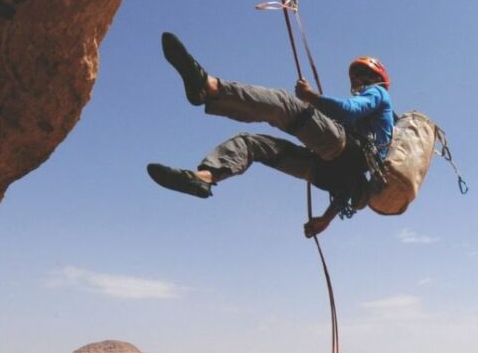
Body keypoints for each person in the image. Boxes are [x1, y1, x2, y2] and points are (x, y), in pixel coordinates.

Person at [147, 32, 394, 237]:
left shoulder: (379, 94)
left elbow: (349, 110)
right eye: (355, 77)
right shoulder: (375, 131)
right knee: (252, 144)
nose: (357, 81)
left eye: (361, 75)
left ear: (376, 78)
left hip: (345, 151)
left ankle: (209, 88)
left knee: (285, 105)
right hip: (329, 172)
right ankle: (205, 177)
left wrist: (311, 97)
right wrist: (325, 220)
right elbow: (346, 187)